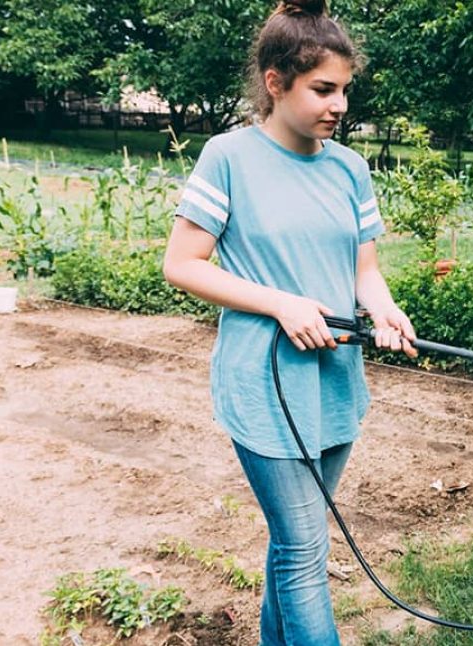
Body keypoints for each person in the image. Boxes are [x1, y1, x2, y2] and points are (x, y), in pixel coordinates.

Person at [162, 0, 416, 642]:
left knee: (292, 541)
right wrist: (281, 302)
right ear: (276, 83)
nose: (339, 106)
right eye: (322, 89)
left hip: (334, 382)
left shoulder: (350, 168)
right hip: (264, 387)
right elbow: (183, 265)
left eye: (344, 91)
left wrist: (383, 308)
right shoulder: (228, 157)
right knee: (305, 550)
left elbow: (364, 271)